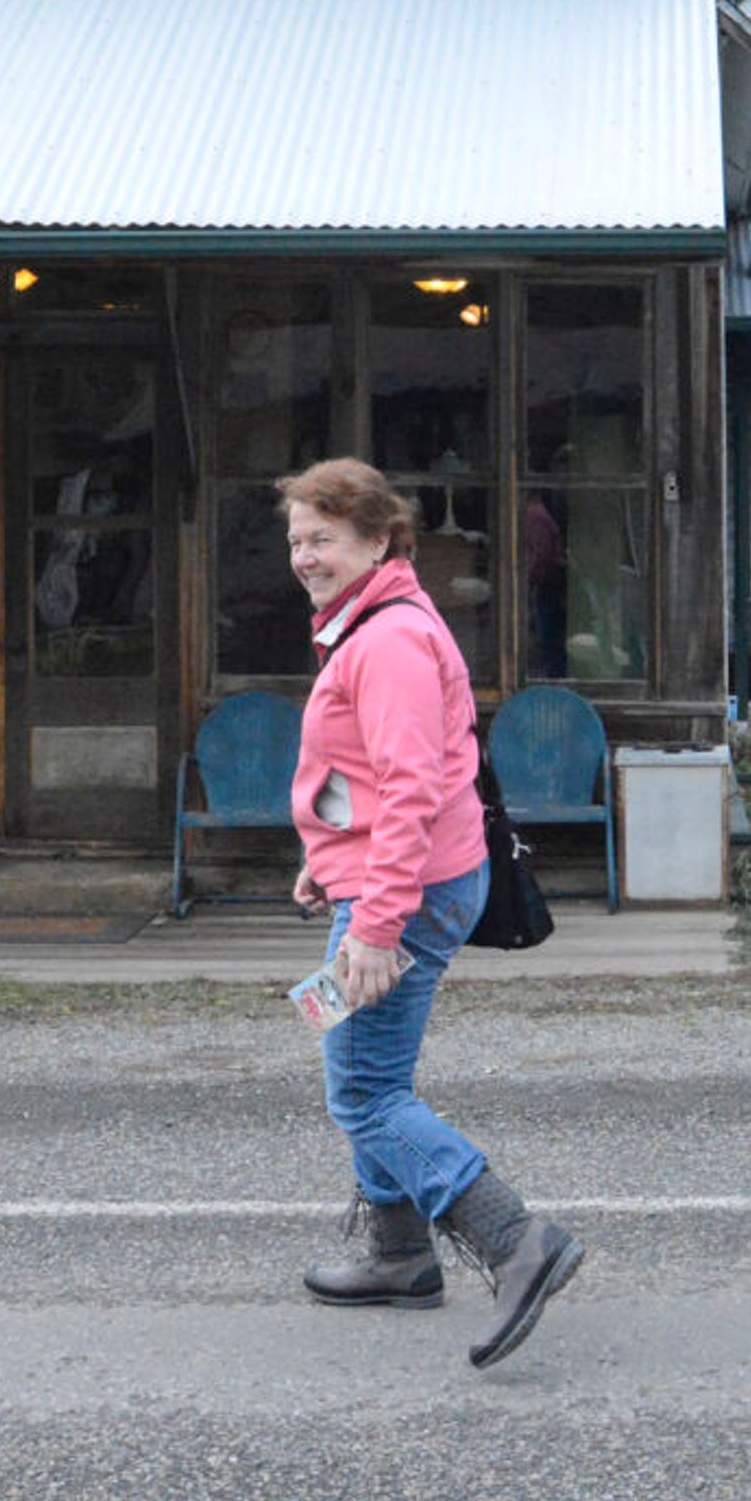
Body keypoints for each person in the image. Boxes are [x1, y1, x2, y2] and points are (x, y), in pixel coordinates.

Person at [280, 454, 584, 1368]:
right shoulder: (366, 624)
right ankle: (400, 1255)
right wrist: (323, 860)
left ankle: (513, 1239)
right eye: (296, 539)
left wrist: (372, 924)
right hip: (382, 878)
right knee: (354, 1056)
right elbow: (360, 775)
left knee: (366, 1090)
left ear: (379, 539)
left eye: (323, 538)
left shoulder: (388, 641)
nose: (304, 555)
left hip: (402, 895)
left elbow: (412, 788)